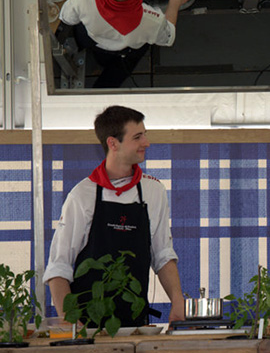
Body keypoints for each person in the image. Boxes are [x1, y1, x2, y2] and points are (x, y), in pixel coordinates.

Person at [43, 105, 185, 325]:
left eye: (145, 135)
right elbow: (58, 267)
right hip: (87, 326)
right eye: (138, 137)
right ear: (112, 143)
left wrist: (178, 303)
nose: (146, 143)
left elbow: (163, 254)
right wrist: (71, 322)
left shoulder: (153, 191)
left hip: (136, 325)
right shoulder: (82, 195)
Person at [58, 0, 200, 88]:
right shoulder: (149, 19)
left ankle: (101, 63)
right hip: (126, 49)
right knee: (121, 66)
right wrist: (175, 0)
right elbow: (168, 37)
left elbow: (67, 18)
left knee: (100, 57)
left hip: (93, 40)